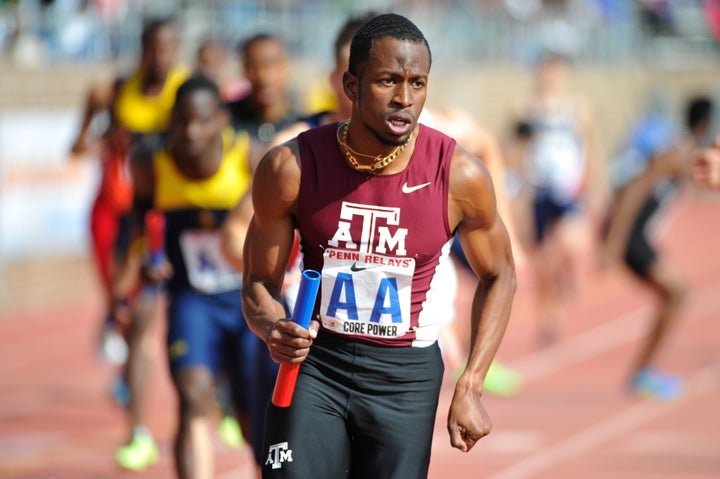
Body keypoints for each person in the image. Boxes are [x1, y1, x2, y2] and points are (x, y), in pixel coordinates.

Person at [241, 13, 516, 478]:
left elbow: (500, 274)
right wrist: (273, 328)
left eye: (417, 83)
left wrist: (470, 382)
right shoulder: (292, 166)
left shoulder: (459, 176)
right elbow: (256, 284)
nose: (404, 99)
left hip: (404, 380)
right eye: (387, 81)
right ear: (351, 85)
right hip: (316, 365)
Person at [116, 74, 256, 478]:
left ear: (221, 120)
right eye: (181, 122)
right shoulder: (151, 164)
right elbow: (141, 219)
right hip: (193, 299)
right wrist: (147, 260)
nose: (190, 132)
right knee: (193, 395)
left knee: (253, 415)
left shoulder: (248, 156)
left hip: (247, 300)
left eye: (201, 121)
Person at [68, 17, 189, 471]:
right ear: (142, 49)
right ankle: (115, 335)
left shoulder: (185, 91)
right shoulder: (115, 91)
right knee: (121, 303)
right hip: (112, 213)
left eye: (168, 48)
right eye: (153, 48)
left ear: (176, 50)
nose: (160, 57)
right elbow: (79, 142)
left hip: (155, 217)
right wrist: (94, 138)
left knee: (142, 315)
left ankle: (140, 422)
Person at [602, 95, 715, 401]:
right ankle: (642, 374)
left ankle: (644, 372)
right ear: (704, 124)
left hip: (639, 236)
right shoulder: (675, 153)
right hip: (630, 236)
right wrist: (613, 240)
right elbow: (635, 190)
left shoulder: (687, 155)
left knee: (674, 296)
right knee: (677, 294)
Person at [511, 50, 600, 345]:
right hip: (538, 191)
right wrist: (519, 190)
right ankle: (548, 315)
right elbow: (515, 149)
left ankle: (567, 274)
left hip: (568, 189)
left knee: (570, 245)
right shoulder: (525, 110)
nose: (550, 77)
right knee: (543, 263)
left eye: (555, 71)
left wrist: (594, 185)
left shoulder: (576, 108)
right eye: (545, 71)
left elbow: (590, 147)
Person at [227, 33, 300, 171]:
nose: (263, 76)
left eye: (271, 65)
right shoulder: (227, 120)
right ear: (244, 69)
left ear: (286, 67)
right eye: (254, 66)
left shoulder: (300, 126)